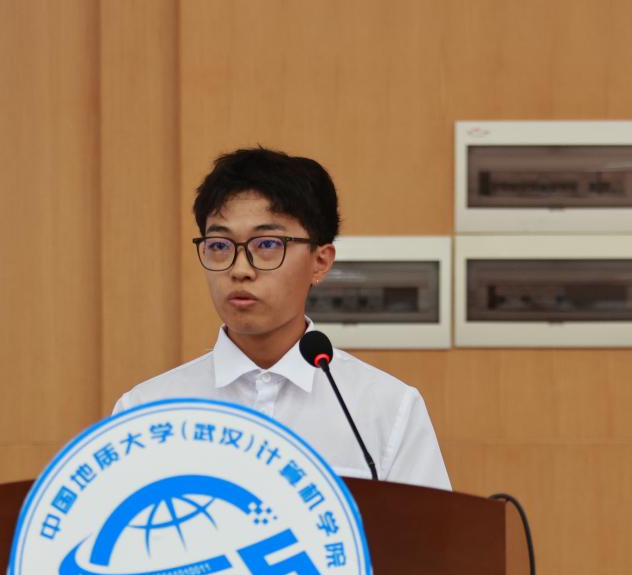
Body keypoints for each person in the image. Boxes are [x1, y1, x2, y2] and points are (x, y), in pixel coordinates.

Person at [113, 147, 450, 490]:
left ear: (320, 261)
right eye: (219, 246)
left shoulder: (387, 409)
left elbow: (430, 527)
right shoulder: (146, 411)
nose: (239, 269)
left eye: (267, 244)